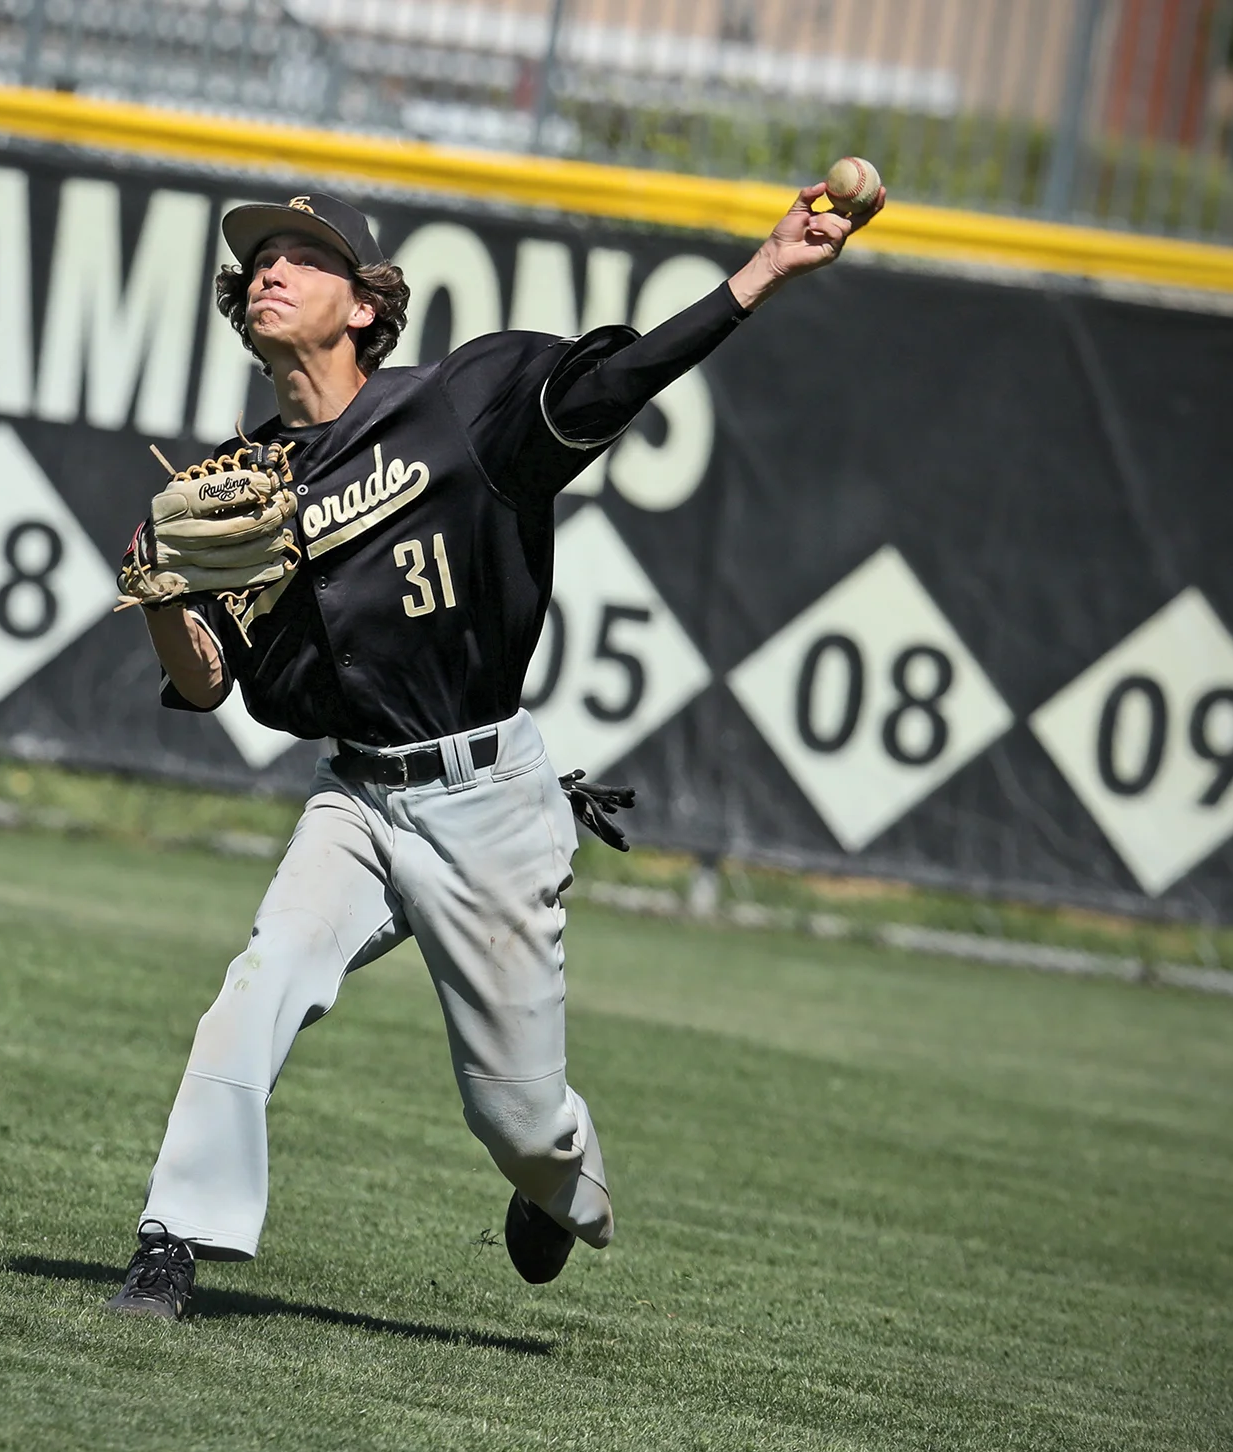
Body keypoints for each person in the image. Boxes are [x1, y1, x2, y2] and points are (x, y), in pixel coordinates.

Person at [107, 181, 882, 1318]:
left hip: (490, 800)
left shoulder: (459, 407)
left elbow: (615, 384)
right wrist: (170, 594)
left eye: (303, 259)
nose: (270, 271)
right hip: (359, 800)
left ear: (366, 305)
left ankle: (554, 1185)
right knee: (260, 980)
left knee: (517, 1122)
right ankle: (173, 1239)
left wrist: (759, 273)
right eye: (259, 261)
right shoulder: (239, 488)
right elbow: (209, 678)